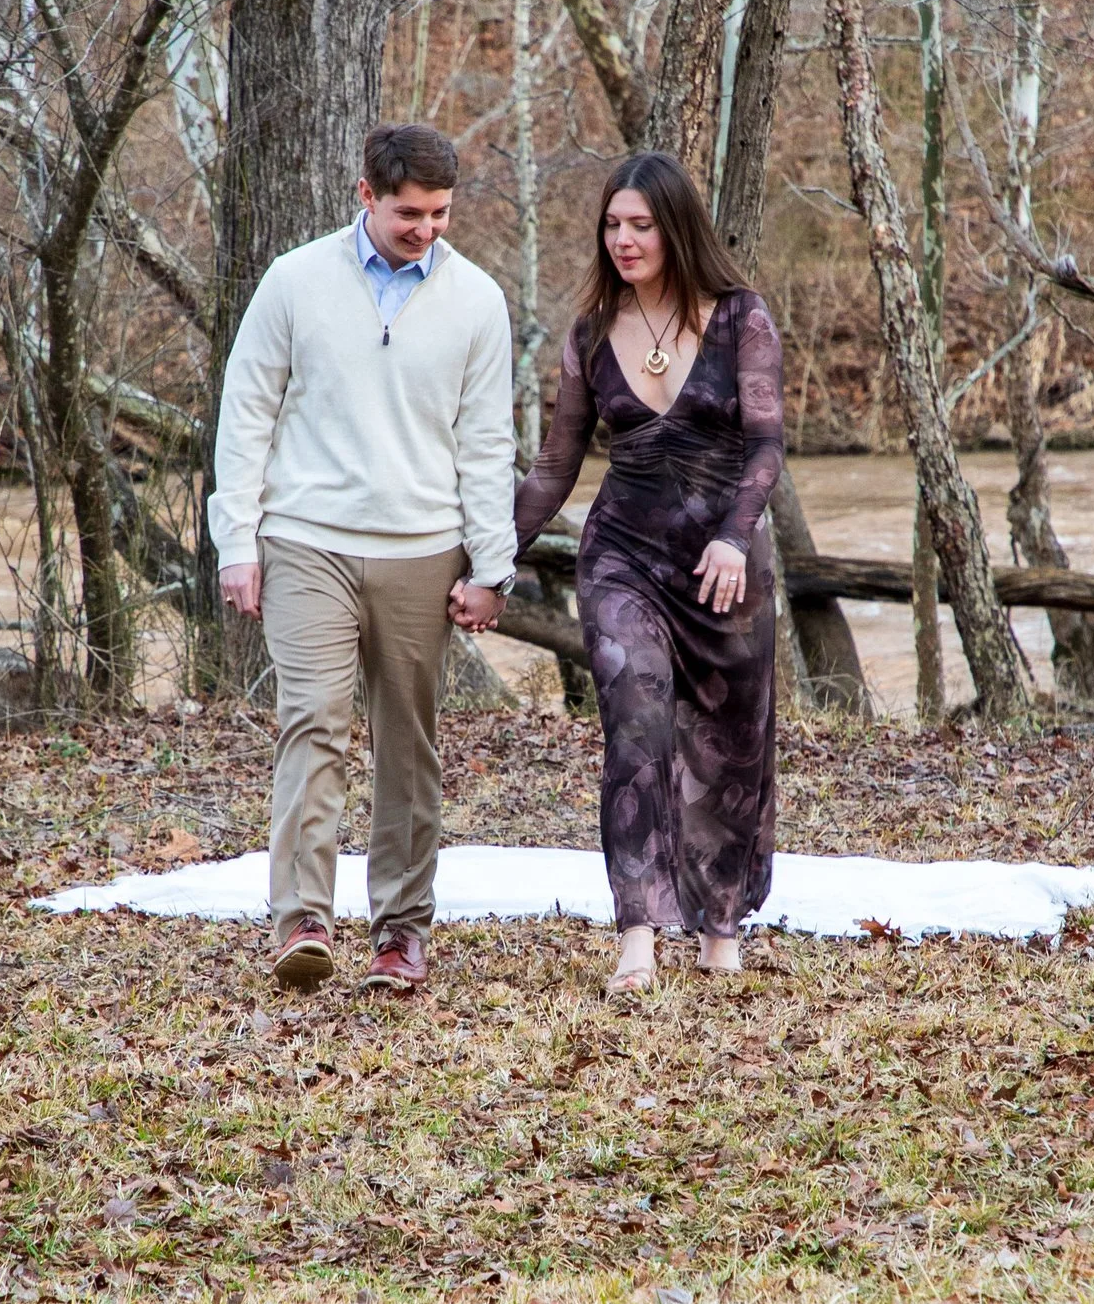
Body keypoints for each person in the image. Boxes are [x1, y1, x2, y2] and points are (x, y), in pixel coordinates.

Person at [211, 122, 516, 994]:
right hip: (307, 540)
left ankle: (400, 934)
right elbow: (246, 414)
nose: (427, 229)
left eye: (440, 213)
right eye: (409, 213)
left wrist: (491, 567)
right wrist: (237, 543)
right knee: (312, 720)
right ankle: (302, 921)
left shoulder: (477, 300)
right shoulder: (295, 281)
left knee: (406, 743)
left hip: (423, 549)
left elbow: (486, 443)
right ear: (367, 196)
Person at [513, 150, 784, 993]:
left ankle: (721, 925)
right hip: (623, 557)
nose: (623, 240)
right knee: (636, 728)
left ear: (676, 229)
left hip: (723, 565)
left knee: (730, 744)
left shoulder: (740, 318)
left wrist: (734, 537)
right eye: (611, 225)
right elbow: (555, 469)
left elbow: (767, 446)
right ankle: (637, 933)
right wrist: (489, 559)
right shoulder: (590, 334)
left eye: (640, 225)